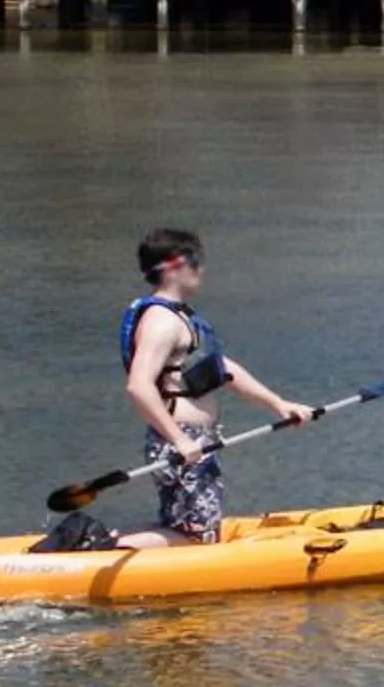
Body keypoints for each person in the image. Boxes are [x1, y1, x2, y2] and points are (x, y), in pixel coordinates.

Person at [115, 227, 318, 549]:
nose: (202, 270)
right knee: (196, 536)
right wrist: (179, 439)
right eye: (197, 262)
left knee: (183, 526)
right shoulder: (161, 321)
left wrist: (278, 404)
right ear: (175, 265)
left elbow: (224, 370)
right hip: (181, 439)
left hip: (193, 439)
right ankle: (97, 549)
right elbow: (139, 386)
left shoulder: (181, 318)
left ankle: (102, 544)